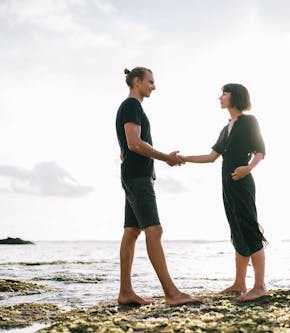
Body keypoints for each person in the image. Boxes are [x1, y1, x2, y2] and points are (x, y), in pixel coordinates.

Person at [115, 66, 202, 306]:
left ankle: (125, 292)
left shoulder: (131, 107)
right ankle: (171, 293)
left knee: (132, 232)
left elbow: (126, 147)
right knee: (154, 230)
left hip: (133, 175)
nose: (154, 86)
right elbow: (134, 143)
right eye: (150, 82)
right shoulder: (131, 106)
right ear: (136, 81)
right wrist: (167, 158)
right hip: (137, 178)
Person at [180, 83, 267, 301]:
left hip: (243, 183)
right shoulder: (226, 128)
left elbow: (260, 151)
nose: (220, 98)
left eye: (224, 94)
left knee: (249, 228)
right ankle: (239, 283)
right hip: (227, 185)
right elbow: (211, 157)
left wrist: (248, 168)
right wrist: (183, 158)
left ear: (235, 97)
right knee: (236, 229)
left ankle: (259, 286)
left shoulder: (249, 121)